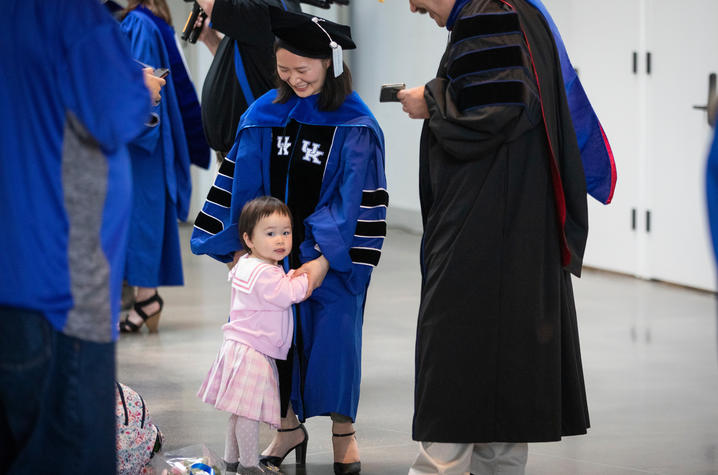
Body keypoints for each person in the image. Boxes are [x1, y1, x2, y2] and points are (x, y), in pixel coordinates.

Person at [191, 8, 388, 474]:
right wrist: (245, 249)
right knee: (269, 343)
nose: (293, 80)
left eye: (303, 70)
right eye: (284, 71)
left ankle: (344, 431)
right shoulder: (263, 114)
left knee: (335, 339)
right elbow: (241, 184)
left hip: (330, 258)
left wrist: (321, 260)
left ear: (330, 65)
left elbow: (357, 196)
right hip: (270, 257)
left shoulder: (354, 123)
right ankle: (287, 427)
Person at [397, 1, 591, 474]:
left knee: (456, 353)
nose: (413, 5)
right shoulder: (514, 8)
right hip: (516, 222)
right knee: (506, 365)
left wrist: (432, 99)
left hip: (484, 225)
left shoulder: (489, 13)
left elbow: (499, 110)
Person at [0, 0, 156, 472]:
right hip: (58, 285)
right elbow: (117, 113)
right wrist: (141, 84)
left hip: (15, 273)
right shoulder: (71, 14)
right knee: (67, 450)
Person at [198, 196, 308, 474]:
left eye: (286, 232)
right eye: (270, 234)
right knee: (248, 414)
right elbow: (289, 294)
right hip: (255, 353)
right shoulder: (268, 274)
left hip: (237, 347)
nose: (280, 240)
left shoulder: (246, 264)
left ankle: (231, 461)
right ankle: (248, 465)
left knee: (238, 412)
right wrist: (305, 276)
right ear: (248, 239)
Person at [119, 1, 195, 333]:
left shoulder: (137, 24)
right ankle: (145, 299)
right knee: (143, 218)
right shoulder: (154, 21)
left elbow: (142, 84)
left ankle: (145, 299)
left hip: (139, 140)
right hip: (147, 137)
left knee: (139, 220)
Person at [194, 0, 302, 158]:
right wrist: (210, 39)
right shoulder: (263, 11)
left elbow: (213, 6)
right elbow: (245, 64)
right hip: (242, 150)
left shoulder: (267, 8)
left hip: (251, 152)